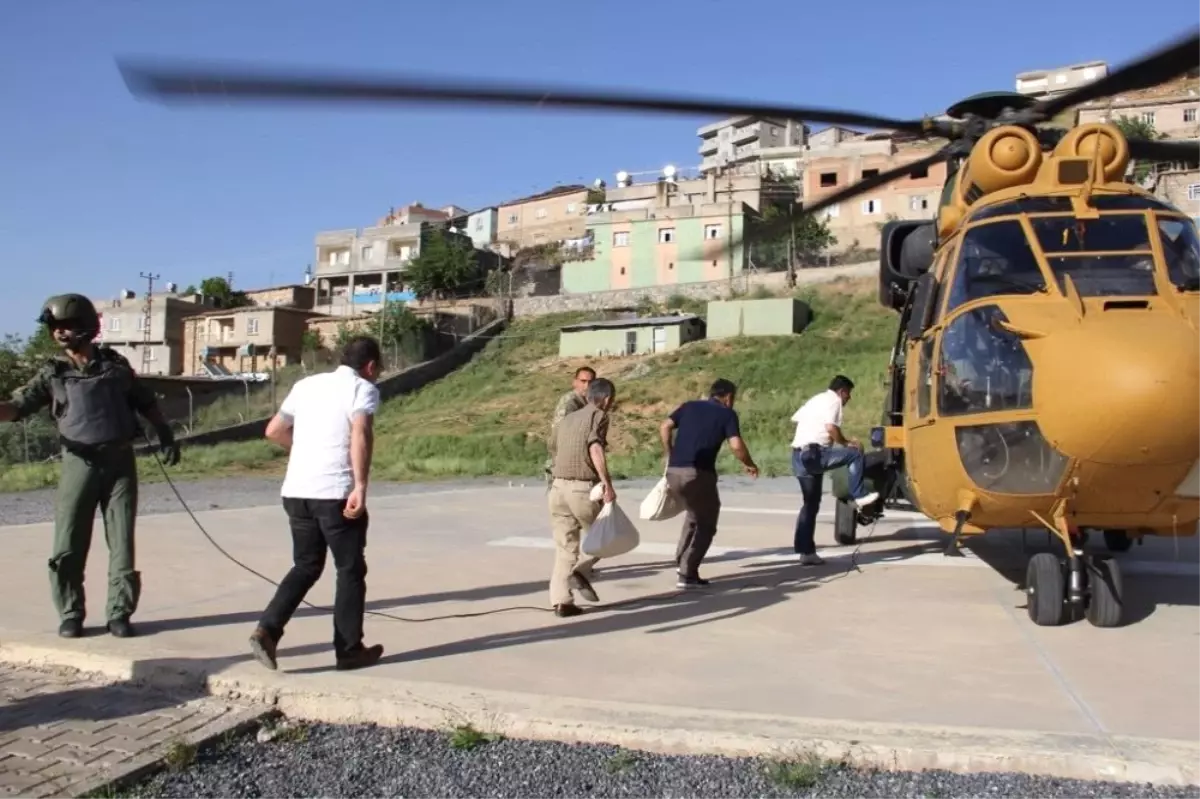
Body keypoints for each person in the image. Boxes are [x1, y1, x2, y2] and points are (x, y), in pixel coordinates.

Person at [0, 293, 181, 639]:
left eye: (65, 326)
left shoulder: (115, 366)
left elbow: (145, 401)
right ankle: (70, 612)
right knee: (68, 543)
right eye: (55, 328)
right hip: (78, 464)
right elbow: (16, 407)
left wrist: (164, 431)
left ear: (85, 326)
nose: (59, 334)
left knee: (122, 543)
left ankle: (119, 613)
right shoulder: (52, 373)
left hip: (119, 464)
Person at [248, 335, 386, 672]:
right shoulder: (362, 388)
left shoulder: (306, 385)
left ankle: (267, 630)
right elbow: (360, 433)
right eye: (377, 369)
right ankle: (349, 650)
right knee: (350, 569)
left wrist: (308, 451)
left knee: (306, 565)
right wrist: (361, 487)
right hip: (334, 493)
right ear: (369, 366)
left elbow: (274, 430)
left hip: (296, 492)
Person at [659, 378, 758, 590]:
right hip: (698, 473)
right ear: (729, 397)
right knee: (707, 523)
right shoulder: (727, 414)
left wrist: (670, 453)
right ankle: (687, 573)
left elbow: (665, 426)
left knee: (694, 514)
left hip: (674, 471)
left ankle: (682, 561)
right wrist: (749, 464)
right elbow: (736, 445)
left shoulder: (689, 406)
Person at [790, 375, 881, 565]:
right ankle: (859, 495)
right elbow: (831, 428)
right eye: (849, 394)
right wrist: (846, 442)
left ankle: (806, 552)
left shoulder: (816, 400)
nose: (849, 399)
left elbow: (797, 418)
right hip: (815, 453)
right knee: (854, 453)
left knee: (810, 504)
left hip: (799, 455)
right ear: (842, 391)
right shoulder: (834, 401)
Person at [546, 377, 617, 617]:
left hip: (557, 489)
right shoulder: (599, 416)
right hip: (581, 488)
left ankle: (561, 602)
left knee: (565, 547)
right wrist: (606, 484)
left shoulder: (565, 420)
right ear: (606, 399)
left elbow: (552, 449)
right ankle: (580, 571)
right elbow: (595, 447)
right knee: (605, 537)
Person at [544, 366, 596, 487]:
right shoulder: (570, 403)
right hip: (564, 465)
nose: (587, 386)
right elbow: (559, 433)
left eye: (591, 382)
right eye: (583, 381)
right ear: (575, 382)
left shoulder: (586, 402)